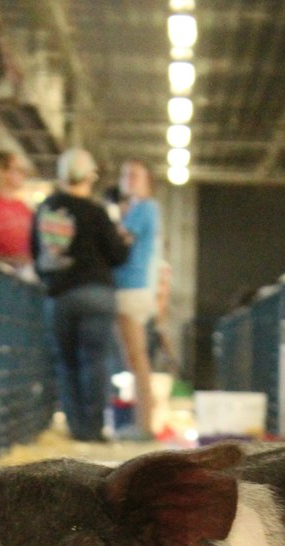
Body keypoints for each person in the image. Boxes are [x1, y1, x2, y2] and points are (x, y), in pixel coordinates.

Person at [31, 146, 130, 444]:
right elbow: (117, 255)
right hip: (97, 293)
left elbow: (37, 255)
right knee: (96, 361)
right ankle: (95, 428)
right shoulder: (97, 212)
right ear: (89, 177)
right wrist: (124, 241)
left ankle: (77, 428)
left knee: (67, 362)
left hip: (61, 295)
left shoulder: (47, 209)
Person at [113, 158, 161, 439]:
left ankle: (144, 424)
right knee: (135, 358)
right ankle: (143, 421)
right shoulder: (138, 209)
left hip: (131, 287)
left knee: (136, 358)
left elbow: (120, 240)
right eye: (126, 173)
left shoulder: (144, 208)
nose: (128, 178)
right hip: (135, 287)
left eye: (135, 175)